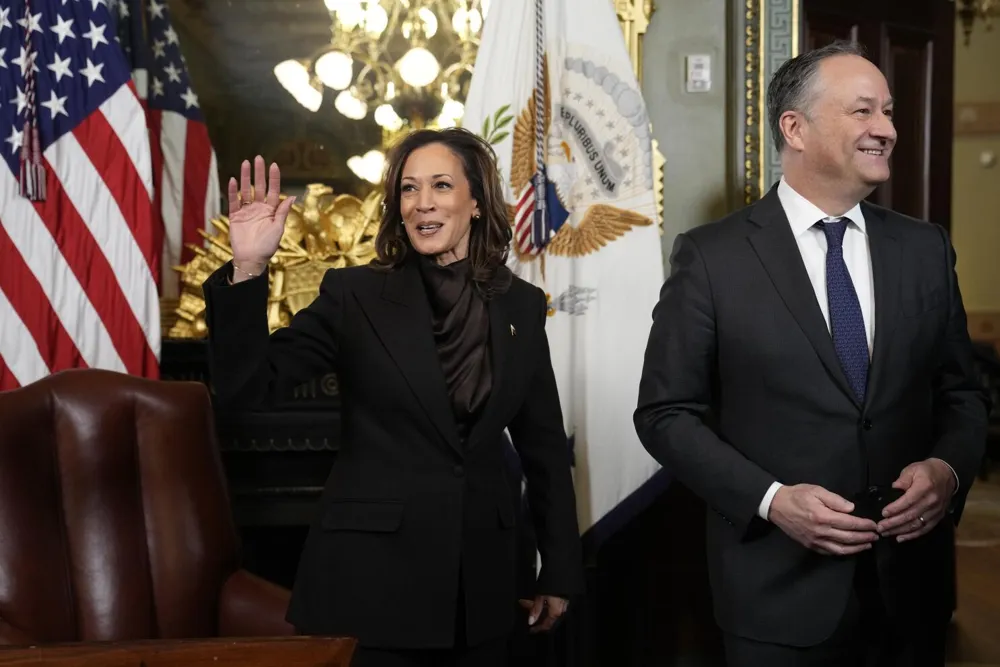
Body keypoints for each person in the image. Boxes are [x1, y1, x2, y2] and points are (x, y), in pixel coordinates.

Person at [634, 41, 990, 667]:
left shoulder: (925, 249)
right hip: (776, 596)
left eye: (888, 111)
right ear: (794, 128)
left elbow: (961, 394)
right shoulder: (712, 258)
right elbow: (666, 413)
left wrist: (947, 471)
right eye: (863, 111)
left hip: (911, 594)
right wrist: (772, 500)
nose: (887, 129)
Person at [202, 127, 584, 667]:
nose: (422, 203)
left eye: (441, 185)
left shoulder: (520, 305)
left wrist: (561, 570)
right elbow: (247, 390)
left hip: (487, 586)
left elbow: (543, 447)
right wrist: (248, 269)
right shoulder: (354, 295)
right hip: (372, 585)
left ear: (476, 202)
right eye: (408, 189)